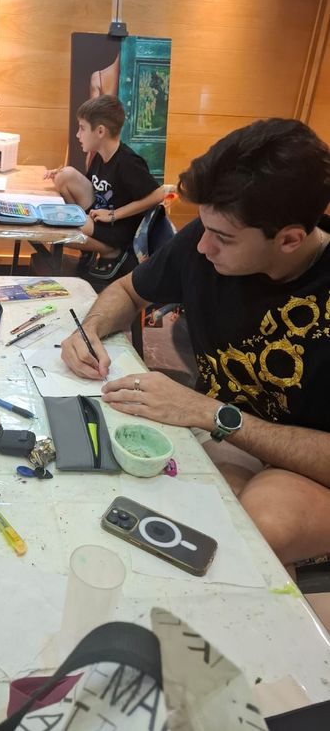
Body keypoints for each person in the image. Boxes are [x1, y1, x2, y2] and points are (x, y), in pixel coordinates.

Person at [61, 118, 330, 567]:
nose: (203, 247)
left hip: (306, 461)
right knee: (140, 499)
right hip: (231, 434)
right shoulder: (207, 239)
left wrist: (210, 414)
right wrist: (88, 329)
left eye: (222, 238)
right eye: (203, 227)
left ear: (289, 240)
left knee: (253, 531)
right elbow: (128, 291)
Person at [44, 95, 164, 278]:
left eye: (82, 128)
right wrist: (58, 175)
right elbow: (90, 187)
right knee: (65, 175)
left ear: (100, 131)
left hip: (117, 228)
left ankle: (110, 251)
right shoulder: (99, 156)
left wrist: (114, 214)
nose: (78, 135)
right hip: (98, 215)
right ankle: (91, 248)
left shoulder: (128, 162)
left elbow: (158, 194)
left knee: (60, 227)